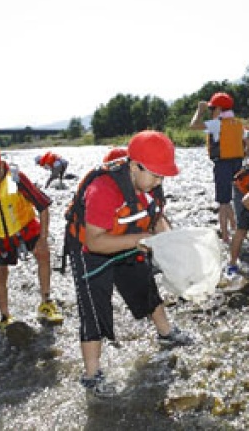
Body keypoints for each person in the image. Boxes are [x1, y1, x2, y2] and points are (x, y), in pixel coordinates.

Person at [64, 130, 192, 398]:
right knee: (93, 310)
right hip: (90, 249)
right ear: (134, 166)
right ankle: (92, 375)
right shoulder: (103, 190)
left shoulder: (152, 183)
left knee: (143, 283)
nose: (159, 181)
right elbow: (96, 242)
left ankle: (166, 333)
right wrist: (143, 239)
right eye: (155, 175)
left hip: (130, 237)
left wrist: (170, 244)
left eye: (163, 176)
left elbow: (157, 217)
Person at [0, 142, 63, 329]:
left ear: (0, 165)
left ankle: (46, 302)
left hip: (25, 224)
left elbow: (43, 207)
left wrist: (43, 239)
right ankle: (5, 316)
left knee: (43, 254)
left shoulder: (17, 178)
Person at [190, 92, 249, 243]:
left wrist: (200, 110)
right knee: (230, 199)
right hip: (237, 164)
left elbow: (193, 125)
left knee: (223, 202)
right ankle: (236, 227)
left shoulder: (217, 123)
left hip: (222, 165)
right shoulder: (238, 124)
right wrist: (241, 157)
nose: (211, 112)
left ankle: (225, 237)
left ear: (219, 109)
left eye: (212, 109)